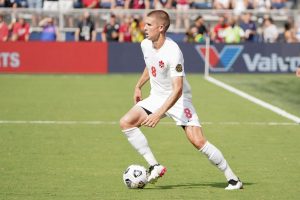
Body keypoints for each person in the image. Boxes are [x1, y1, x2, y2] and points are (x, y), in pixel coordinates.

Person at [119, 10, 243, 190]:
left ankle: (233, 179)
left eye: (149, 25)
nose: (144, 28)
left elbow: (177, 89)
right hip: (157, 96)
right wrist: (139, 85)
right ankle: (155, 165)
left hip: (179, 100)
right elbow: (150, 65)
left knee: (198, 141)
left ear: (161, 28)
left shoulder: (173, 51)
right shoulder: (146, 44)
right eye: (145, 24)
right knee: (126, 123)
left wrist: (158, 114)